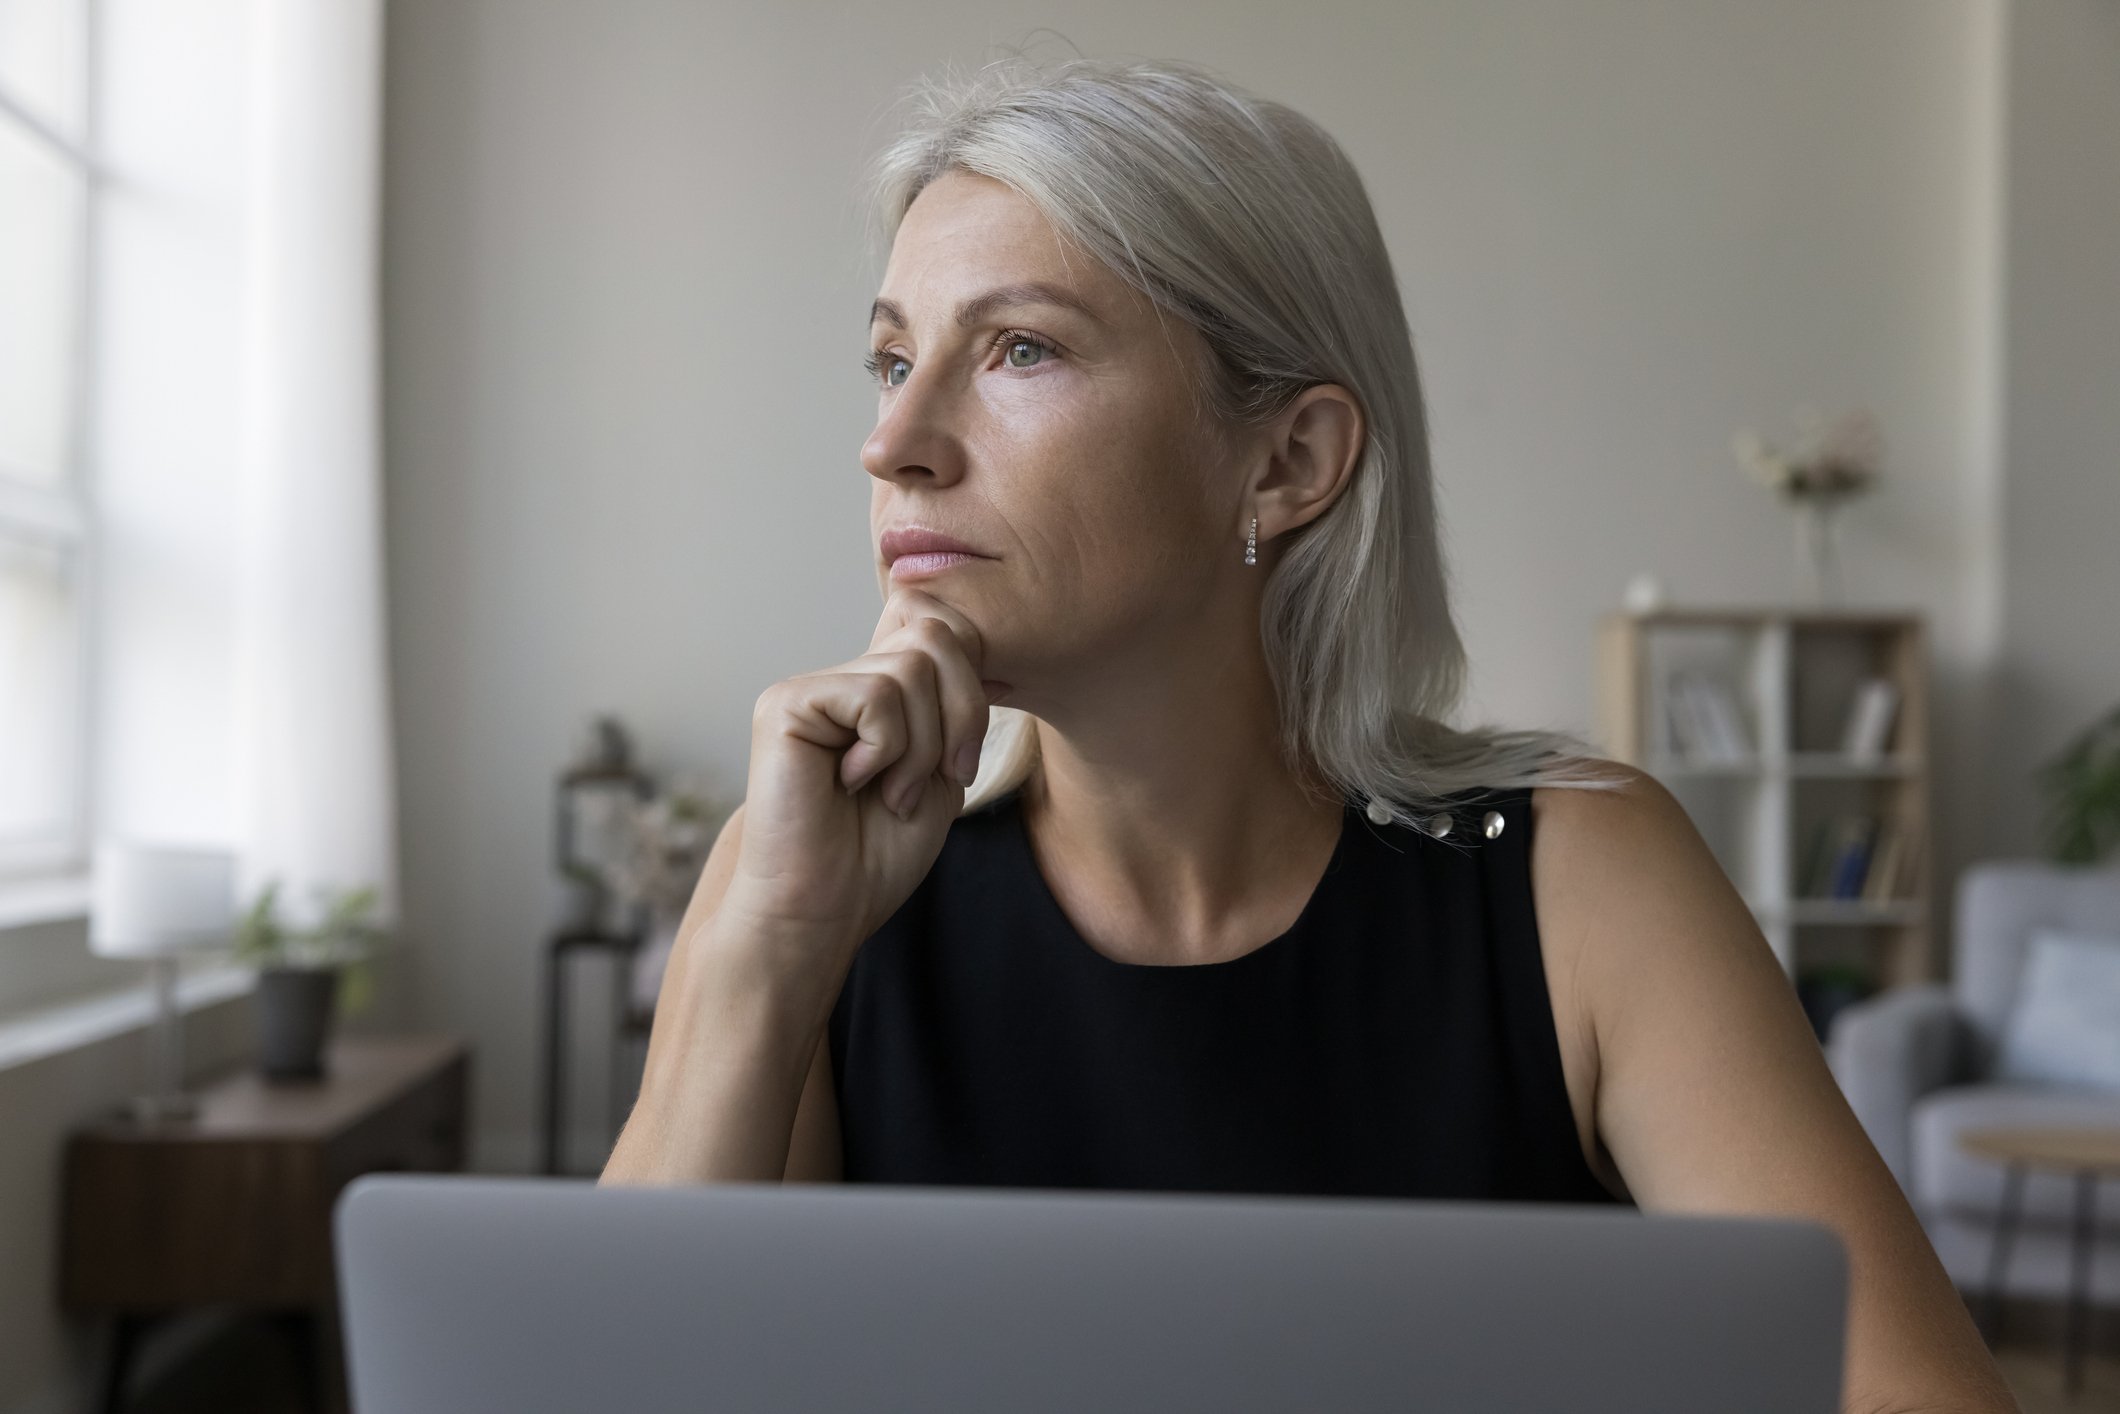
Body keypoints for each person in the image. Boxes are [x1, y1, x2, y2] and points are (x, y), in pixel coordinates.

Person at [601, 54, 2017, 1413]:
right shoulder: (801, 892)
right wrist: (770, 951)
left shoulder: (1585, 881)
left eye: (1019, 348)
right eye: (891, 358)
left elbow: (1910, 1390)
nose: (894, 437)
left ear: (1287, 461)